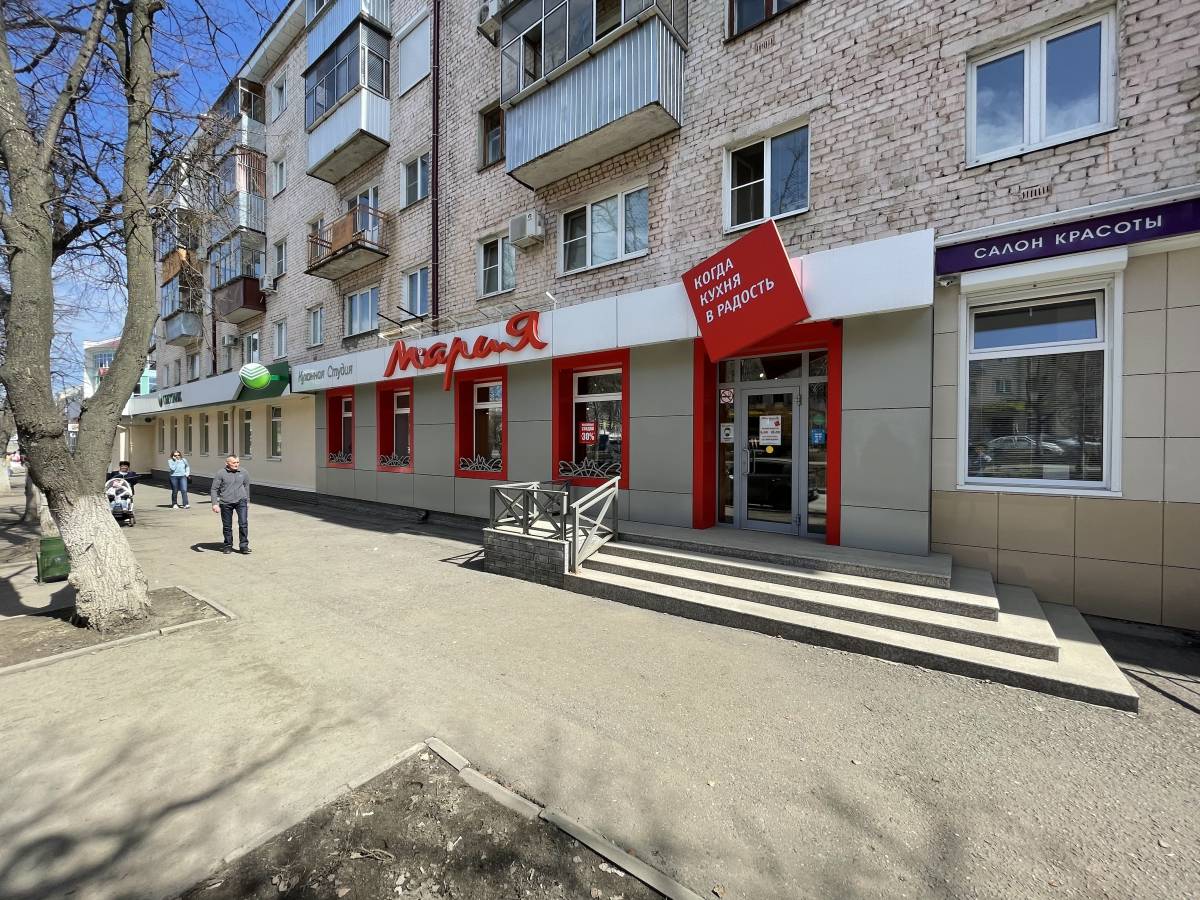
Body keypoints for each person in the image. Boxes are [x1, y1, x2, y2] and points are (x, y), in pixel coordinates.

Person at [210, 455, 251, 555]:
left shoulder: (244, 472)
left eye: (237, 462)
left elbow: (246, 487)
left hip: (241, 501)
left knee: (243, 523)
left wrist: (247, 501)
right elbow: (214, 489)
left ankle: (244, 546)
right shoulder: (221, 473)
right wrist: (215, 504)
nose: (236, 464)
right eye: (234, 463)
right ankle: (228, 545)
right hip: (226, 502)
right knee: (227, 526)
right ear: (227, 463)